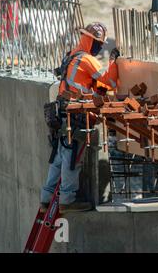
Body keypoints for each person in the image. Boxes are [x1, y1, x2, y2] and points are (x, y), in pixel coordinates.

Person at [40, 22, 120, 214]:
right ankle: (67, 200)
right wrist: (113, 61)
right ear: (91, 40)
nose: (99, 47)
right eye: (98, 43)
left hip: (63, 112)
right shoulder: (87, 59)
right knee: (71, 157)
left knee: (59, 157)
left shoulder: (71, 56)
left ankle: (46, 198)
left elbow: (84, 83)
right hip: (77, 114)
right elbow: (109, 80)